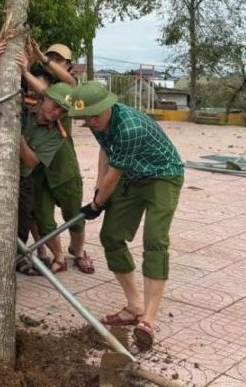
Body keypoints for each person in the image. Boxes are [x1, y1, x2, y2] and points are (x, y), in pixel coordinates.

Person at [67, 81, 184, 351]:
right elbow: (106, 152)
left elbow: (116, 174)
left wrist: (97, 204)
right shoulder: (97, 124)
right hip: (133, 176)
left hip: (163, 176)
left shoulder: (129, 127)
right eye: (86, 116)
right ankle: (134, 305)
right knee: (111, 236)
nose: (91, 121)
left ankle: (148, 319)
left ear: (109, 105)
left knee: (154, 240)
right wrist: (98, 187)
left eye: (95, 115)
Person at [18, 82, 94, 275]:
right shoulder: (25, 109)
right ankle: (59, 256)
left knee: (74, 218)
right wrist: (26, 70)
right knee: (44, 219)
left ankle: (78, 253)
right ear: (45, 98)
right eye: (55, 105)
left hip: (64, 175)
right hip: (38, 178)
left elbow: (69, 85)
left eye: (63, 110)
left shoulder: (62, 123)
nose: (58, 112)